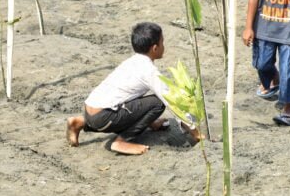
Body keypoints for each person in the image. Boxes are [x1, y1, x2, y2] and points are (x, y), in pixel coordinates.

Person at [66, 22, 200, 155]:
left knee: (137, 98)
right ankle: (121, 141)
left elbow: (129, 97)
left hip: (90, 111)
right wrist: (194, 132)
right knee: (157, 103)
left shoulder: (132, 62)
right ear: (155, 48)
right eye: (162, 42)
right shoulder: (150, 72)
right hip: (103, 117)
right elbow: (172, 102)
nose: (164, 46)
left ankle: (79, 123)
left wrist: (151, 122)